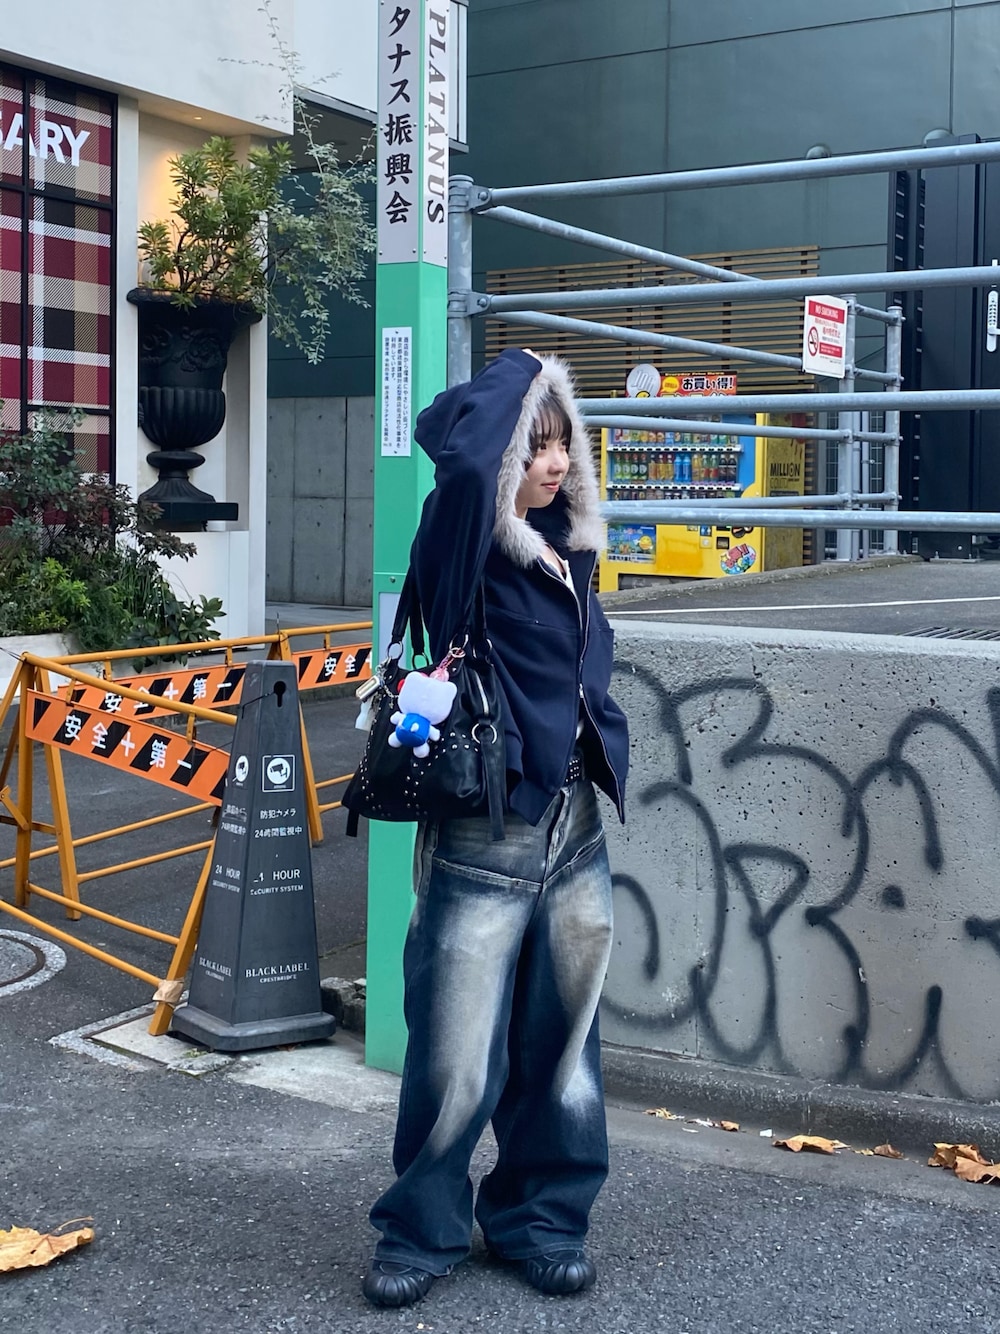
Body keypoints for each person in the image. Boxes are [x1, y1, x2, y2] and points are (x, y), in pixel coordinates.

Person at [362, 348, 629, 1309]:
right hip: (485, 827)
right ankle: (421, 1231)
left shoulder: (566, 544)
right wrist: (531, 374)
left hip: (573, 824)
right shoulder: (461, 537)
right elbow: (469, 462)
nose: (553, 463)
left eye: (563, 445)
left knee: (563, 1048)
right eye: (535, 444)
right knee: (455, 1050)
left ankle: (541, 1220)